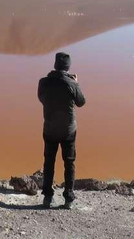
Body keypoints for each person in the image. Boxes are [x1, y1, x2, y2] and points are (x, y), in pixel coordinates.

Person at [37, 52, 86, 209]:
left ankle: (47, 198)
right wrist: (76, 83)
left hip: (50, 128)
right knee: (69, 162)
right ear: (68, 67)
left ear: (55, 65)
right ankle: (68, 199)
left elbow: (42, 98)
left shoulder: (43, 82)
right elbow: (81, 102)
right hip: (68, 130)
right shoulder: (72, 84)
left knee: (49, 162)